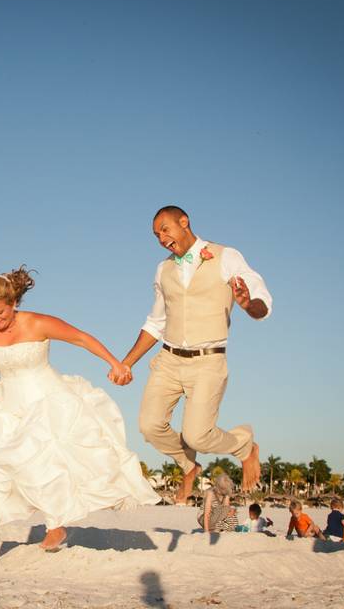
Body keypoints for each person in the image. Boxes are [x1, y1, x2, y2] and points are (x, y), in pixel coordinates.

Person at [0, 267, 160, 551]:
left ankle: (56, 526)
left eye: (0, 313)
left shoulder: (37, 323)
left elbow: (80, 337)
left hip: (46, 399)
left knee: (43, 460)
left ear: (13, 303)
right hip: (5, 403)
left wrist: (115, 363)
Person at [114, 206, 273, 499]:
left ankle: (244, 445)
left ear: (183, 222)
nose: (161, 238)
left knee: (196, 434)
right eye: (156, 234)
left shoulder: (226, 256)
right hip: (169, 359)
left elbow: (261, 299)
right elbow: (156, 321)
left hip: (208, 361)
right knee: (149, 427)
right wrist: (127, 363)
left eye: (165, 229)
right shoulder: (163, 269)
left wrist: (249, 304)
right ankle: (189, 466)